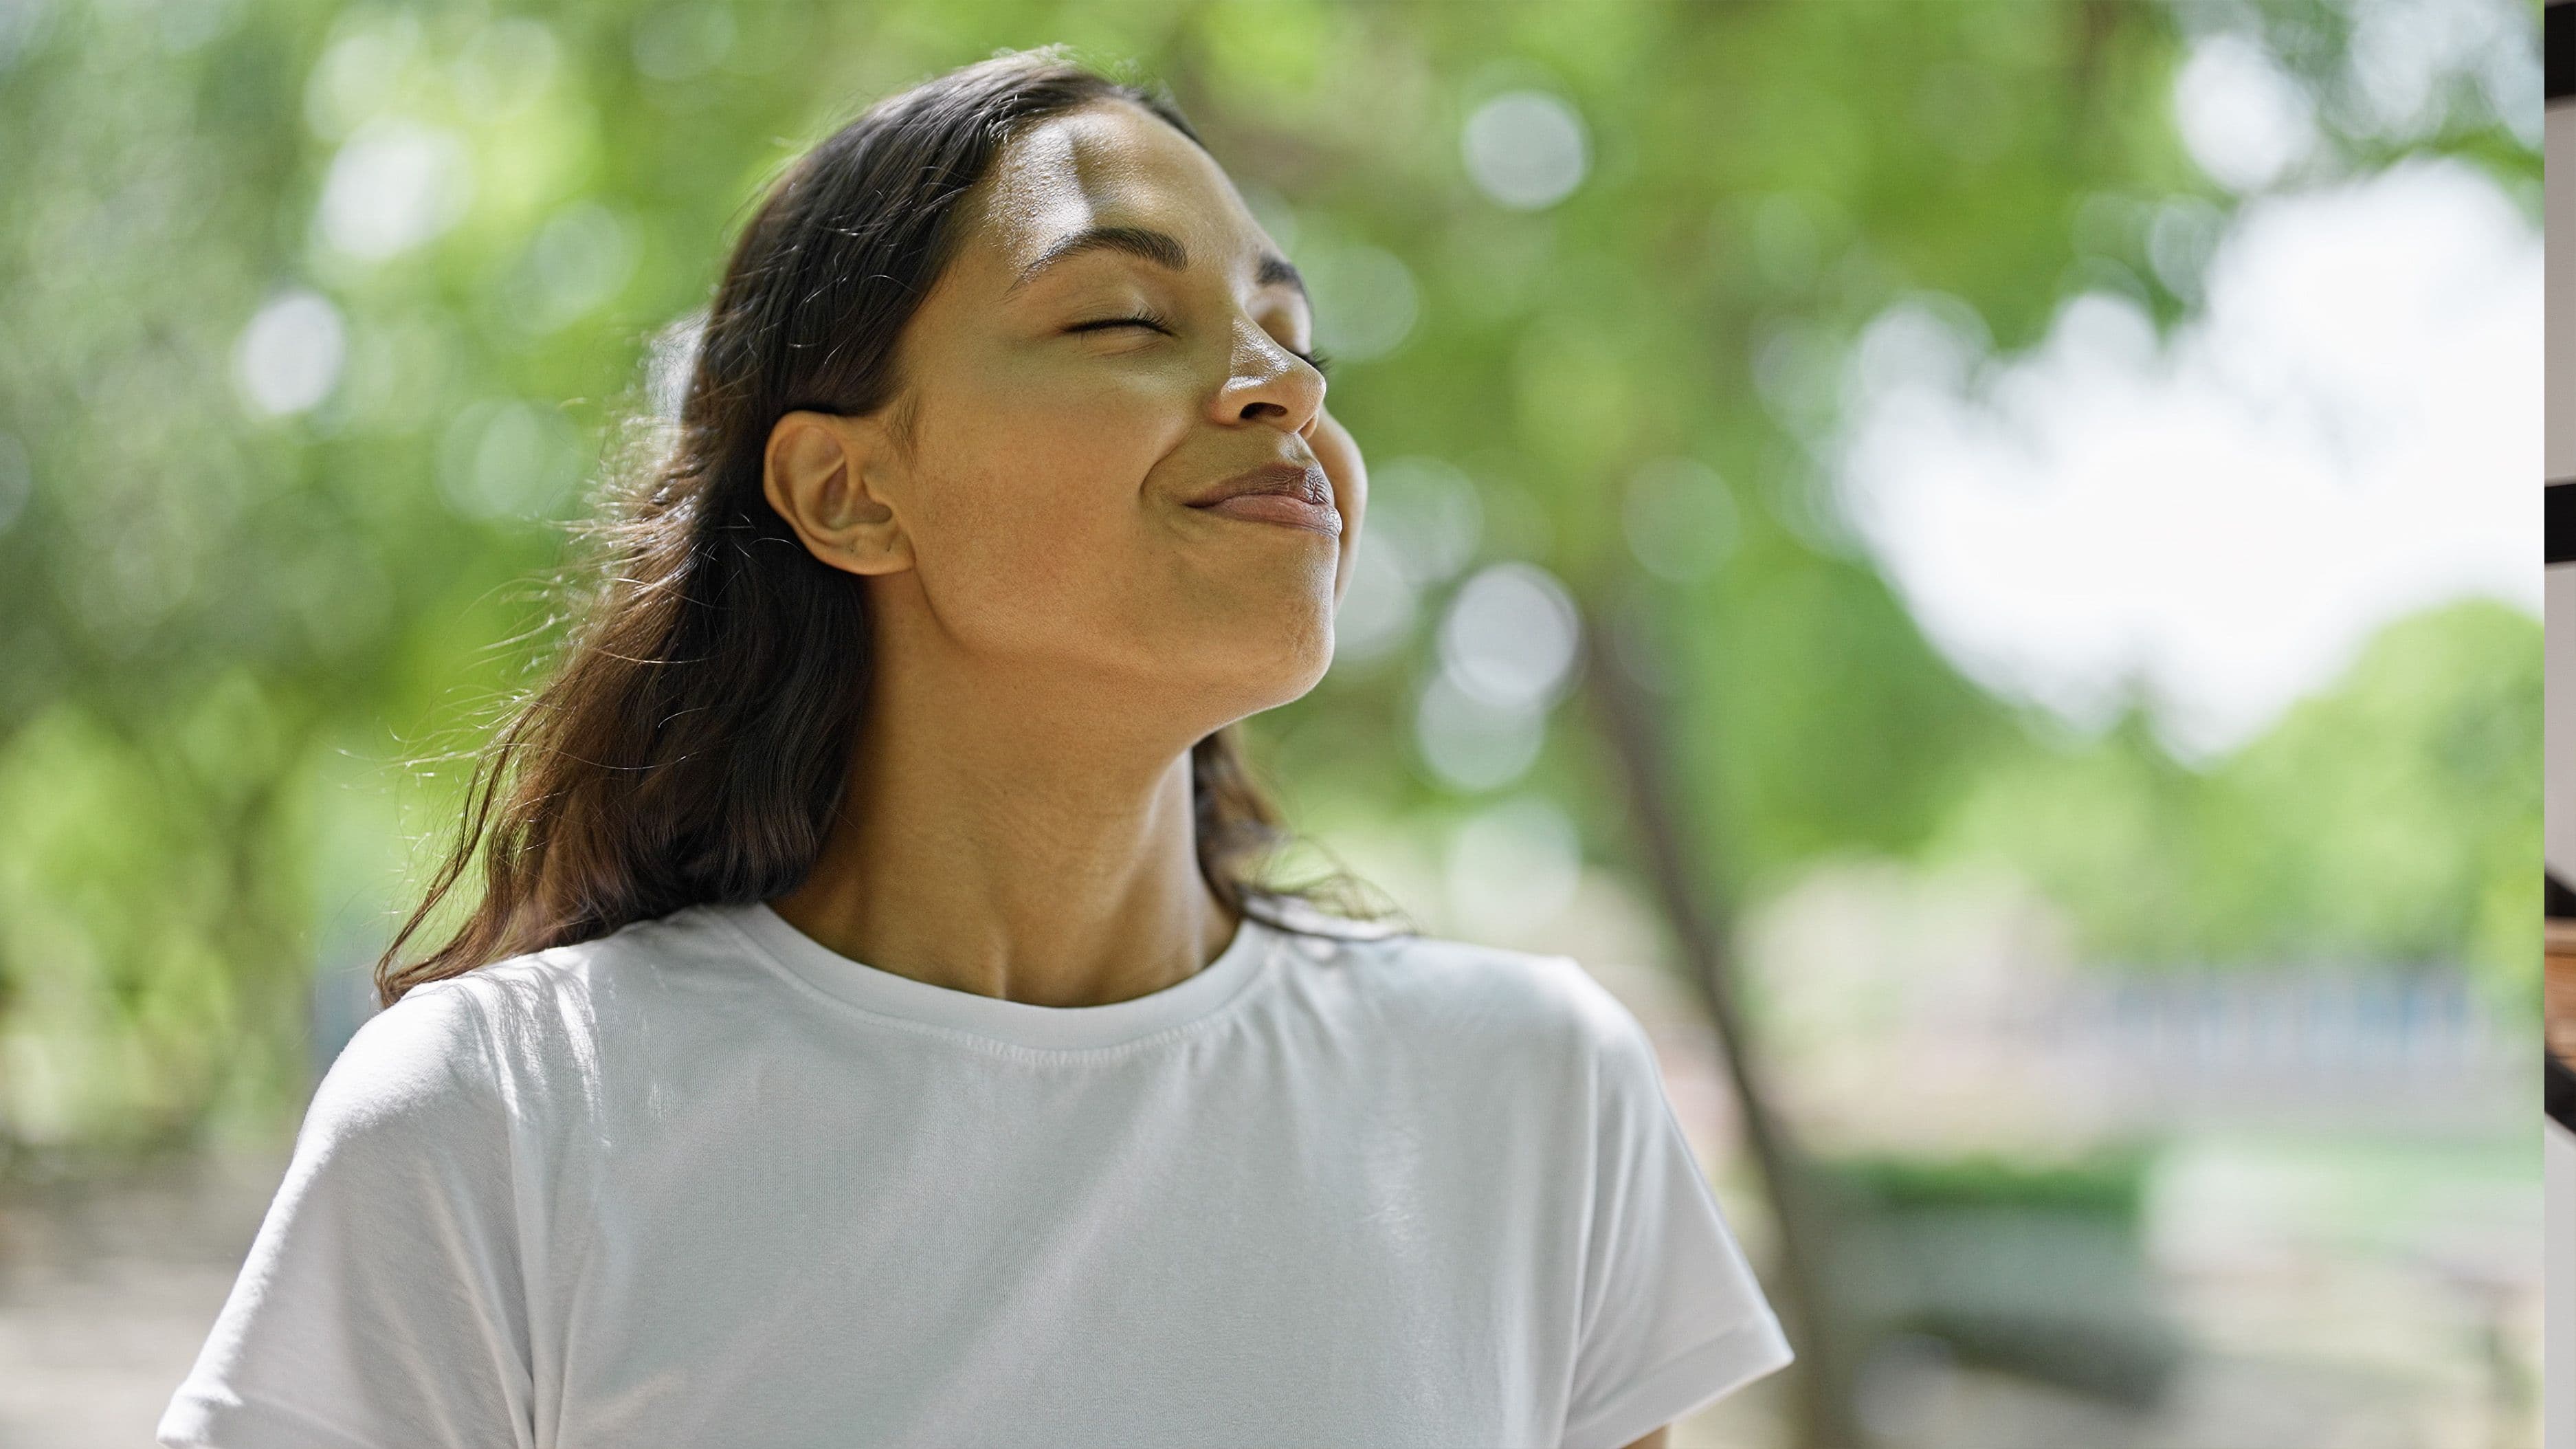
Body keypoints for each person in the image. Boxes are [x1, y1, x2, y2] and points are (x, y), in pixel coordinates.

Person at [157, 47, 1791, 1449]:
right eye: (1124, 317)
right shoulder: (501, 1121)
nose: (1279, 388)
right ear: (848, 491)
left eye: (1292, 335)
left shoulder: (1532, 1092)